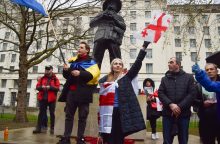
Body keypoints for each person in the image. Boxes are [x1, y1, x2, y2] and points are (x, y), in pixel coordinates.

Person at [98, 41, 149, 144]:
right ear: (112, 66)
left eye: (120, 64)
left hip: (122, 112)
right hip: (108, 112)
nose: (117, 65)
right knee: (109, 137)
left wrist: (144, 47)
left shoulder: (126, 78)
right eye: (115, 64)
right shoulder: (104, 80)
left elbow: (137, 63)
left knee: (119, 138)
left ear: (122, 67)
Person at [57, 41, 100, 144]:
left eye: (81, 47)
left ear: (87, 50)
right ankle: (66, 138)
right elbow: (68, 76)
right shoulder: (73, 61)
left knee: (82, 117)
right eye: (78, 47)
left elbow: (93, 75)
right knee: (68, 116)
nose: (79, 49)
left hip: (84, 93)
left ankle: (80, 139)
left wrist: (80, 73)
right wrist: (66, 70)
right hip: (71, 93)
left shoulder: (91, 62)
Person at [158, 57, 196, 144]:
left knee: (183, 140)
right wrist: (171, 104)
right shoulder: (164, 79)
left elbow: (192, 94)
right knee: (167, 140)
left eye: (171, 62)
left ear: (177, 64)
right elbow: (161, 93)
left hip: (183, 114)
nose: (169, 64)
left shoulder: (189, 77)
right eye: (168, 62)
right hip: (168, 114)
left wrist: (179, 106)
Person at [90, 0, 126, 68]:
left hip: (113, 38)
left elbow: (123, 27)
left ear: (116, 7)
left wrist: (114, 20)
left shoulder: (119, 17)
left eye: (114, 4)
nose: (111, 5)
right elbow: (91, 24)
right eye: (110, 3)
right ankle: (92, 76)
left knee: (116, 59)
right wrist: (102, 16)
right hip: (100, 36)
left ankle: (117, 76)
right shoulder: (101, 14)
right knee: (95, 59)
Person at [192, 63, 220, 143]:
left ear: (217, 71)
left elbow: (210, 85)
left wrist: (200, 73)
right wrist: (202, 103)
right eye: (207, 70)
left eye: (211, 69)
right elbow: (209, 85)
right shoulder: (198, 85)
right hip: (206, 120)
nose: (209, 71)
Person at [33, 65, 60, 135]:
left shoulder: (55, 79)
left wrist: (50, 87)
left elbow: (57, 88)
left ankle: (52, 128)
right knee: (41, 113)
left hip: (52, 99)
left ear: (51, 70)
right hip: (43, 99)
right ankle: (38, 128)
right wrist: (41, 87)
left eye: (48, 69)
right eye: (46, 69)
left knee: (52, 114)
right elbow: (37, 87)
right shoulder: (42, 78)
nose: (47, 71)